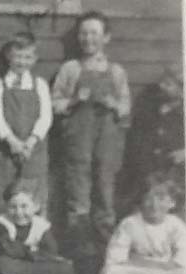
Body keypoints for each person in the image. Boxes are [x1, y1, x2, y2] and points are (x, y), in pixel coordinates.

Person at [52, 11, 131, 257]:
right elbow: (55, 103)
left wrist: (113, 104)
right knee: (78, 199)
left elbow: (126, 108)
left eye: (94, 33)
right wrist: (75, 100)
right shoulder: (70, 69)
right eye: (84, 33)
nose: (88, 38)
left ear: (106, 37)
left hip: (107, 146)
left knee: (105, 195)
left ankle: (105, 257)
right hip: (77, 145)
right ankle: (79, 257)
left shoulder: (117, 72)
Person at [0, 32, 53, 217]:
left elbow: (45, 117)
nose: (22, 61)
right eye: (17, 56)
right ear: (9, 56)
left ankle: (36, 240)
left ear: (34, 59)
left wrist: (31, 141)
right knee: (4, 194)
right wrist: (12, 142)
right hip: (6, 150)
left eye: (27, 57)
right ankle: (5, 238)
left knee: (35, 196)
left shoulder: (39, 84)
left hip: (34, 150)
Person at [99, 172, 186, 274]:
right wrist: (139, 265)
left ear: (172, 203)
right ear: (141, 201)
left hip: (166, 272)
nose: (154, 205)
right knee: (111, 273)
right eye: (148, 199)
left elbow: (182, 258)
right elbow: (115, 257)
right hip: (137, 270)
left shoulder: (176, 225)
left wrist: (162, 267)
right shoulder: (130, 223)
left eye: (161, 199)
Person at [124, 64, 184, 218]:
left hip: (176, 172)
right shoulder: (151, 107)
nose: (161, 86)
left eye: (168, 84)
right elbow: (138, 136)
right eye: (162, 82)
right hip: (150, 169)